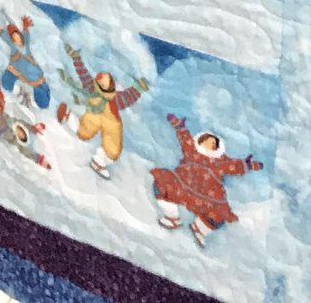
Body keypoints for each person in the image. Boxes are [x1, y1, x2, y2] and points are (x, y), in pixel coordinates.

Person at [150, 114, 263, 246]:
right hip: (183, 185)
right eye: (207, 142)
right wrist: (179, 126)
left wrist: (250, 165)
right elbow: (185, 138)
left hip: (207, 197)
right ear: (199, 142)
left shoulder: (222, 161)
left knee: (219, 215)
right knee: (162, 182)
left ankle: (199, 229)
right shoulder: (191, 150)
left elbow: (235, 166)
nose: (210, 145)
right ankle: (172, 216)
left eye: (213, 144)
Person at [57, 46, 149, 176]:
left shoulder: (94, 88)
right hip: (108, 121)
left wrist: (76, 58)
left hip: (97, 116)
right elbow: (128, 97)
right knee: (111, 147)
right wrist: (138, 88)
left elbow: (84, 75)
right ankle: (99, 162)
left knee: (85, 131)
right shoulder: (114, 98)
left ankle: (69, 115)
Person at [0, 13, 50, 108]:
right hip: (19, 72)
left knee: (44, 101)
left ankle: (32, 95)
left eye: (18, 37)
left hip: (38, 78)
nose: (17, 39)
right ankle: (16, 93)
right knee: (6, 83)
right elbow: (3, 35)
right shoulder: (13, 47)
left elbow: (26, 33)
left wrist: (25, 25)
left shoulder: (26, 43)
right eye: (14, 38)